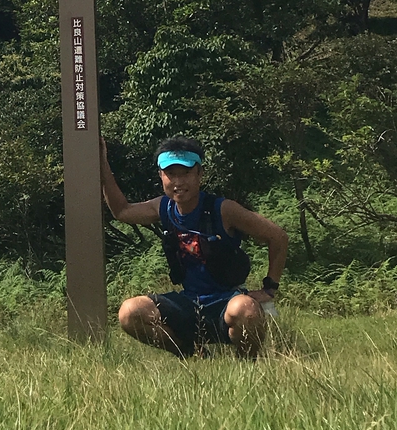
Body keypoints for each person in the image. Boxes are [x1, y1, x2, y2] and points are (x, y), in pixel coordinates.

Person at [100, 133, 288, 358]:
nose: (178, 182)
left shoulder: (223, 209)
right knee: (130, 312)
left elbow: (277, 237)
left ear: (200, 173)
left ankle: (248, 364)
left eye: (186, 173)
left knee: (246, 310)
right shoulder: (164, 207)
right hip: (188, 303)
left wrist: (269, 288)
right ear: (161, 175)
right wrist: (102, 163)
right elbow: (122, 211)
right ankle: (192, 353)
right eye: (171, 174)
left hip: (228, 302)